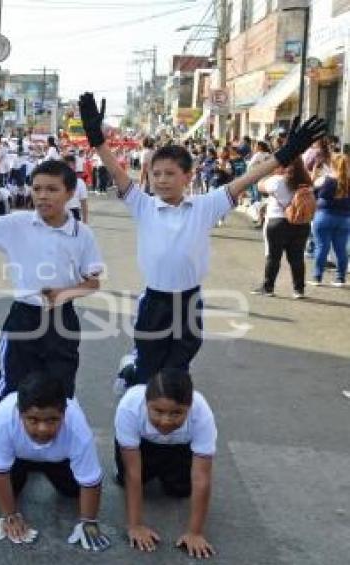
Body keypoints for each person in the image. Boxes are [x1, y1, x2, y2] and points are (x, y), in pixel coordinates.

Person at [79, 92, 326, 385]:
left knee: (176, 374)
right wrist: (97, 139)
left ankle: (162, 406)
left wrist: (285, 154)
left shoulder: (205, 206)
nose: (161, 179)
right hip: (154, 303)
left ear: (188, 176)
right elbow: (118, 174)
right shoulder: (142, 204)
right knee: (148, 372)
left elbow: (246, 180)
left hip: (188, 302)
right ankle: (135, 372)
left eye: (170, 173)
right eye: (156, 174)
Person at [0, 159, 104, 439]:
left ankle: (53, 445)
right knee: (11, 382)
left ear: (71, 192)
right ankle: (0, 428)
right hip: (23, 316)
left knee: (60, 386)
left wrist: (65, 293)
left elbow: (93, 282)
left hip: (62, 320)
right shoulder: (18, 223)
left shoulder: (82, 234)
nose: (42, 195)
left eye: (52, 189)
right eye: (37, 188)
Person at [0, 372, 110, 552]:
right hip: (18, 458)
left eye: (52, 420)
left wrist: (89, 522)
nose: (42, 429)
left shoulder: (78, 427)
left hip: (57, 459)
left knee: (73, 491)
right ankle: (23, 470)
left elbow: (90, 480)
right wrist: (9, 515)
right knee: (5, 486)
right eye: (33, 420)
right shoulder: (1, 418)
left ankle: (43, 468)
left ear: (64, 413)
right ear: (20, 413)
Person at [114, 368, 217, 559]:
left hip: (179, 445)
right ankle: (130, 371)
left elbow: (201, 478)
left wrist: (195, 533)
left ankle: (166, 469)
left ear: (190, 406)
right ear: (146, 403)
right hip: (143, 443)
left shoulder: (202, 414)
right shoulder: (129, 406)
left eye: (177, 413)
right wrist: (135, 525)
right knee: (126, 479)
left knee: (180, 490)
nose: (166, 421)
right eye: (158, 411)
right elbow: (133, 473)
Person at [251, 158, 313, 298]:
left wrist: (272, 173)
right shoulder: (307, 183)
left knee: (274, 257)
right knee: (297, 257)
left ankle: (268, 287)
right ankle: (299, 290)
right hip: (301, 222)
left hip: (278, 222)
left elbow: (260, 186)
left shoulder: (277, 180)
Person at [311, 153, 350, 287]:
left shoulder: (325, 179)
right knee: (341, 249)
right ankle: (340, 278)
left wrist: (316, 172)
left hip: (324, 215)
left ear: (332, 164)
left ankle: (317, 277)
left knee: (322, 247)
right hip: (344, 218)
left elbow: (313, 186)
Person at [64, 154, 90, 223]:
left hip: (74, 213)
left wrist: (85, 222)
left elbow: (84, 203)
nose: (70, 168)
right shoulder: (56, 181)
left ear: (75, 167)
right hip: (59, 213)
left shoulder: (79, 182)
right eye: (67, 166)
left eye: (72, 165)